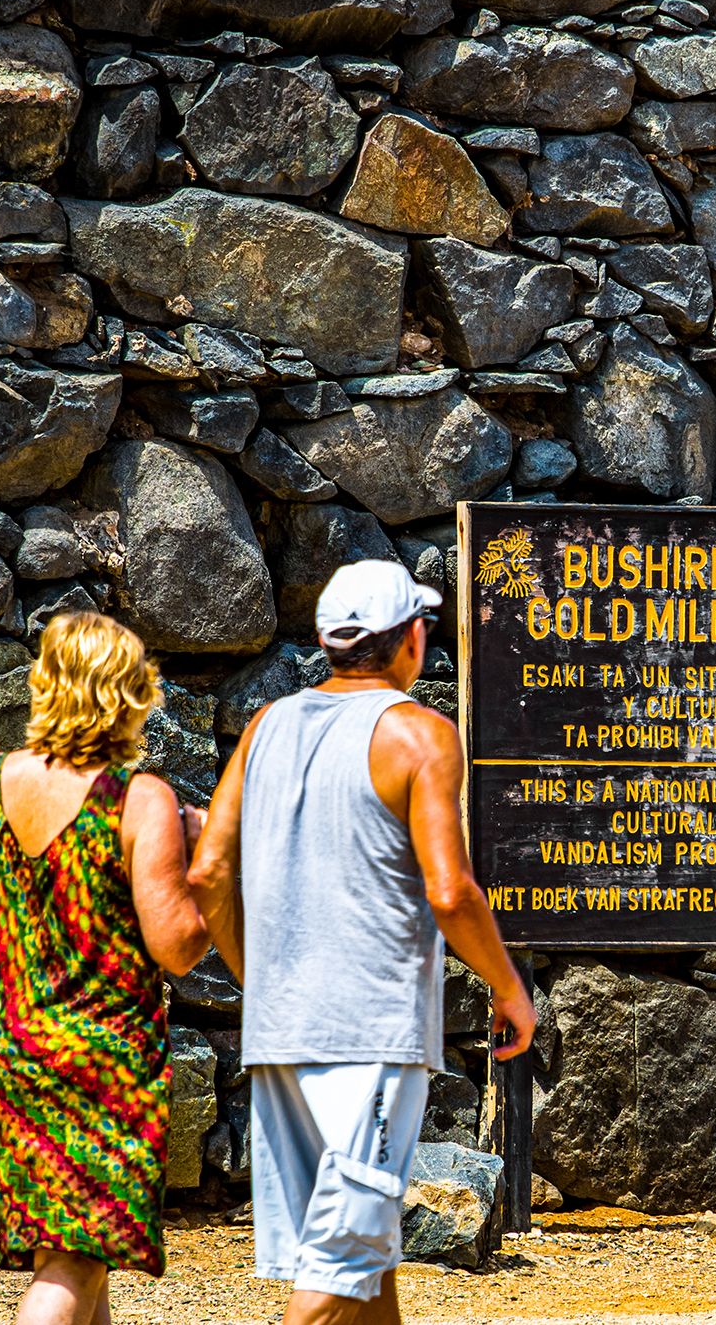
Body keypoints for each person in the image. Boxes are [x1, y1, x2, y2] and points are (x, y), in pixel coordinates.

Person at [187, 558, 537, 1325]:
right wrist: (509, 988)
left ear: (328, 640)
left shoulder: (265, 727)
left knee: (364, 1257)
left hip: (280, 1032)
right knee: (340, 1264)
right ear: (411, 638)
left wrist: (259, 980)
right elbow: (451, 891)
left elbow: (209, 869)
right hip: (368, 1034)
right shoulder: (419, 734)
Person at [0, 611, 210, 1325]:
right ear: (130, 696)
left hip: (7, 1048)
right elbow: (178, 948)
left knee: (71, 1250)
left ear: (45, 689)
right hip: (101, 1062)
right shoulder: (138, 799)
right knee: (74, 1257)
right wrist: (200, 862)